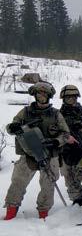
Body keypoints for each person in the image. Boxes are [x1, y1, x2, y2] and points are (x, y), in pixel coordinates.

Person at [4, 82, 71, 220]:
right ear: (35, 95)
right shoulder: (25, 112)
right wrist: (14, 127)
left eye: (44, 94)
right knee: (17, 182)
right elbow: (10, 128)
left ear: (49, 96)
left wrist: (56, 141)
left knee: (48, 185)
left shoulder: (56, 114)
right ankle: (10, 213)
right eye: (39, 94)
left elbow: (66, 134)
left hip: (50, 154)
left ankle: (43, 213)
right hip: (28, 154)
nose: (42, 96)